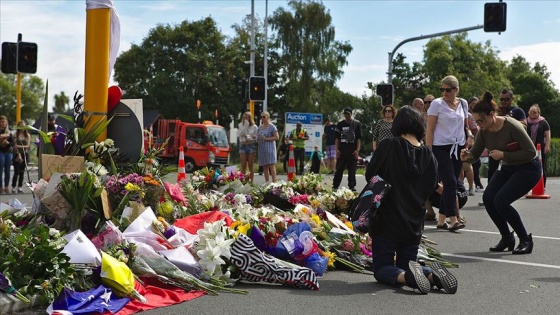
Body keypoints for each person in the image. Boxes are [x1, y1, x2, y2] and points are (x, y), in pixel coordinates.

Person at [366, 105, 458, 295]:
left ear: (398, 124)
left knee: (382, 268)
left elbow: (371, 176)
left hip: (387, 221)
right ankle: (432, 275)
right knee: (406, 263)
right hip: (414, 224)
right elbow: (432, 188)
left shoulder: (389, 146)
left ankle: (408, 278)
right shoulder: (429, 155)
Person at [460, 91, 539, 255]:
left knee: (501, 200)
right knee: (488, 198)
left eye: (481, 121)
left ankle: (525, 239)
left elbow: (531, 152)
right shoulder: (483, 131)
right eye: (476, 122)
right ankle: (506, 237)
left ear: (491, 114)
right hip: (509, 167)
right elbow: (474, 154)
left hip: (528, 168)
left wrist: (504, 155)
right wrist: (466, 157)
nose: (479, 125)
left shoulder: (512, 125)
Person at [426, 75, 472, 231]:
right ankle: (454, 219)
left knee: (449, 183)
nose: (444, 92)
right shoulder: (436, 104)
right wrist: (429, 151)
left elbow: (465, 126)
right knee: (451, 182)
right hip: (440, 147)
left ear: (456, 90)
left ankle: (441, 220)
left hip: (458, 147)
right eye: (442, 89)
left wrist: (469, 137)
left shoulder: (463, 104)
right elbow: (430, 129)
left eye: (448, 90)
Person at [333, 107, 362, 191]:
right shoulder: (340, 124)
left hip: (352, 151)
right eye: (345, 114)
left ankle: (352, 186)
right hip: (342, 150)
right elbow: (337, 138)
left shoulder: (356, 124)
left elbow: (359, 139)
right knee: (339, 170)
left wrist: (357, 150)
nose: (347, 116)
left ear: (351, 114)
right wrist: (336, 149)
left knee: (352, 170)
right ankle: (335, 185)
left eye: (348, 114)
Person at [526, 104, 550, 188]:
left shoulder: (543, 122)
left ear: (538, 113)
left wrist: (547, 146)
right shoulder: (526, 121)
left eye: (534, 112)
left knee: (542, 166)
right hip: (528, 148)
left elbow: (547, 134)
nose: (532, 113)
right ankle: (529, 186)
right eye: (531, 111)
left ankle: (542, 186)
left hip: (540, 148)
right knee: (528, 167)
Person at [467, 96, 484, 192]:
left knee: (476, 163)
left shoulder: (483, 114)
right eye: (472, 104)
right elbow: (473, 129)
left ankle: (477, 182)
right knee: (469, 162)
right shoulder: (468, 115)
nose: (474, 106)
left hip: (477, 139)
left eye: (476, 104)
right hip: (469, 140)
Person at [257, 111, 279, 183]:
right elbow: (258, 136)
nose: (262, 118)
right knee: (264, 166)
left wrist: (267, 139)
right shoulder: (260, 127)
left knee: (271, 165)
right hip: (262, 149)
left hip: (270, 148)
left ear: (268, 117)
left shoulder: (272, 126)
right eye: (261, 117)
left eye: (264, 117)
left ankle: (274, 182)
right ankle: (267, 182)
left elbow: (276, 137)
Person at [238, 111, 258, 182]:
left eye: (247, 118)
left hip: (251, 146)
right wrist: (245, 126)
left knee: (250, 165)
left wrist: (249, 137)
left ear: (250, 118)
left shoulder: (254, 127)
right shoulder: (241, 125)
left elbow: (255, 138)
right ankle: (242, 181)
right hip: (243, 146)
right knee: (243, 165)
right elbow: (240, 135)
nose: (245, 119)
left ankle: (250, 182)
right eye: (244, 118)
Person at [11, 120, 30, 194]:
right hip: (17, 154)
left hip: (25, 154)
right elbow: (14, 146)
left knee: (22, 172)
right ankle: (13, 187)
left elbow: (27, 146)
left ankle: (20, 187)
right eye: (20, 126)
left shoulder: (27, 135)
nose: (22, 128)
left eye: (23, 126)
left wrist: (19, 146)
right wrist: (18, 153)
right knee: (16, 171)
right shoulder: (15, 134)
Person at [0, 115, 13, 195]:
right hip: (1, 152)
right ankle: (1, 187)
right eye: (2, 121)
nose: (3, 123)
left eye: (4, 121)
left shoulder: (9, 131)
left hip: (8, 152)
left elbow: (12, 142)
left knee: (8, 170)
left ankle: (7, 187)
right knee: (0, 170)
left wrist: (8, 143)